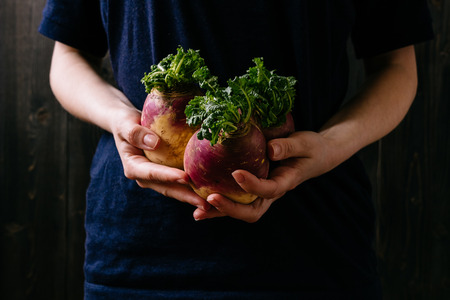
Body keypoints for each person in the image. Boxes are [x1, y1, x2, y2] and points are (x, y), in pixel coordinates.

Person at [39, 1, 433, 299]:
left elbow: (396, 65)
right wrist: (118, 119)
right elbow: (68, 56)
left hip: (313, 245)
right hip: (139, 253)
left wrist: (331, 145)